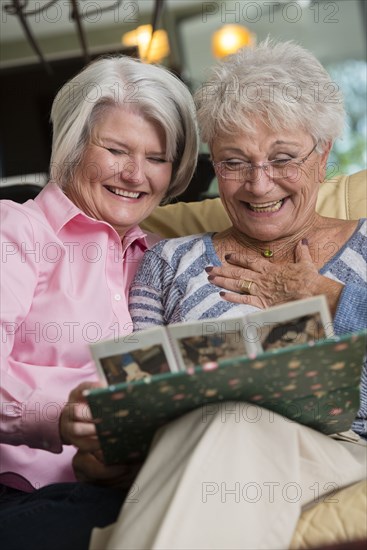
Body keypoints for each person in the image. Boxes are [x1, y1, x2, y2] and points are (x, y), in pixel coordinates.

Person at [87, 39, 366, 550]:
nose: (259, 186)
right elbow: (140, 386)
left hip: (338, 450)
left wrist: (329, 298)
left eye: (282, 159)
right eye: (235, 163)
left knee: (230, 426)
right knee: (218, 424)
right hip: (191, 446)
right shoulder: (168, 262)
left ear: (323, 154)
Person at [0, 55, 198, 549]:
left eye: (157, 158)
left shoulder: (162, 259)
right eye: (116, 150)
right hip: (22, 490)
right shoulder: (18, 230)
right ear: (72, 144)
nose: (135, 174)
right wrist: (56, 415)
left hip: (129, 484)